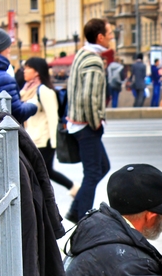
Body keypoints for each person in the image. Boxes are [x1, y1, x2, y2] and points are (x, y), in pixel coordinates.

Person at [65, 18, 114, 224]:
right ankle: (83, 220)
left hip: (77, 122)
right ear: (100, 37)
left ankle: (75, 211)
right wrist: (95, 122)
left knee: (102, 167)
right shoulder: (93, 59)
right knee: (94, 173)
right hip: (86, 125)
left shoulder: (81, 54)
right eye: (109, 33)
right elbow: (90, 96)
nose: (112, 37)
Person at [20, 57, 78, 197]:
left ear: (37, 72)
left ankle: (69, 189)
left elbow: (53, 118)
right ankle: (72, 188)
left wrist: (54, 142)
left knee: (41, 173)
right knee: (42, 172)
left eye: (28, 68)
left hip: (44, 140)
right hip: (32, 138)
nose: (25, 71)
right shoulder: (27, 90)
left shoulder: (44, 91)